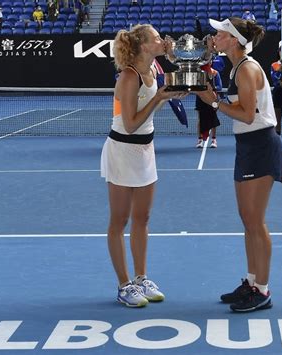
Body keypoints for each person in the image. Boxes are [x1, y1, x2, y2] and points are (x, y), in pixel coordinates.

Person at [195, 17, 282, 313]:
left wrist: (212, 102)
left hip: (260, 145)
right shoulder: (237, 67)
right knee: (247, 220)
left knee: (256, 222)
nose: (215, 37)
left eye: (220, 33)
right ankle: (251, 281)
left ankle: (262, 290)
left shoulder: (247, 69)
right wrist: (210, 95)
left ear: (233, 40)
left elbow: (248, 115)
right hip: (247, 146)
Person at [101, 24, 186, 308]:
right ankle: (123, 285)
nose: (163, 41)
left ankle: (141, 278)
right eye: (157, 38)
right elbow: (130, 123)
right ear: (143, 46)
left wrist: (169, 95)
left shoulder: (154, 70)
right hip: (123, 150)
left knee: (142, 219)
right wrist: (160, 97)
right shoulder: (128, 76)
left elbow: (148, 112)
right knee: (119, 221)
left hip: (146, 151)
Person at [195, 60, 222, 149]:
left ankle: (213, 140)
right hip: (200, 98)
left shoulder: (215, 73)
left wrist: (211, 89)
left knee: (213, 118)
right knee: (201, 118)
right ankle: (200, 140)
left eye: (210, 61)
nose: (208, 63)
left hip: (212, 98)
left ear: (211, 63)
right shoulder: (200, 73)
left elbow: (220, 86)